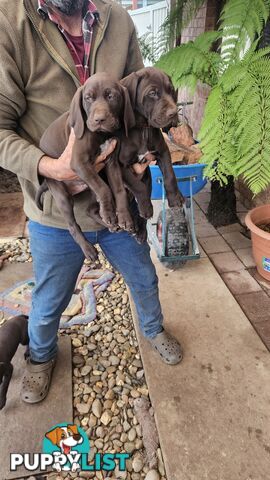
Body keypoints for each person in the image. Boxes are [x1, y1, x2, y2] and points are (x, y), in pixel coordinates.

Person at [0, 0, 183, 404]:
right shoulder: (9, 23)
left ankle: (153, 329)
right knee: (49, 299)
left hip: (120, 196)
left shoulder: (116, 17)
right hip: (56, 206)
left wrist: (145, 158)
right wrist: (48, 165)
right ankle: (41, 356)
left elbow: (139, 98)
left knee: (144, 278)